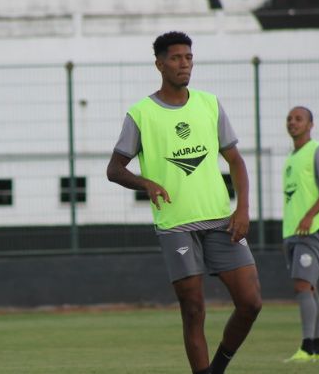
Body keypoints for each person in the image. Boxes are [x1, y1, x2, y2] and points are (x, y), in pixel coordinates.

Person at [107, 31, 262, 374]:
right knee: (193, 310)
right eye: (176, 58)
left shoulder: (209, 103)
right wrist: (145, 182)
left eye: (188, 57)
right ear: (159, 64)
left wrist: (243, 209)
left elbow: (235, 160)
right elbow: (114, 169)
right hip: (176, 226)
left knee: (251, 303)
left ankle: (217, 367)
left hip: (221, 221)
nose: (184, 64)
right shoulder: (141, 114)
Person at [282, 106, 319, 362]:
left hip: (312, 232)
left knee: (302, 286)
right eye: (289, 118)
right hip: (292, 234)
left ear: (310, 124)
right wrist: (286, 236)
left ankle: (307, 347)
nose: (292, 122)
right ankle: (318, 348)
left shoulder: (316, 151)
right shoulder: (291, 157)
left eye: (299, 119)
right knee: (309, 287)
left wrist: (309, 216)